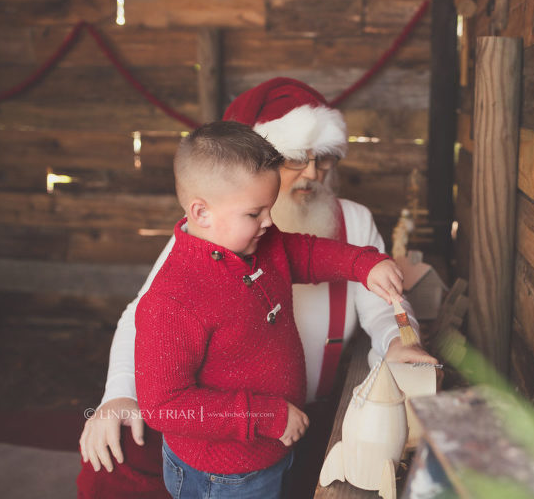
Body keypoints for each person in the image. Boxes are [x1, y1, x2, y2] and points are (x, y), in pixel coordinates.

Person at [77, 78, 437, 498]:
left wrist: (396, 335)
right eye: (295, 159)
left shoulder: (341, 222)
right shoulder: (205, 242)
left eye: (322, 160)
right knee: (116, 460)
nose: (311, 174)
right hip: (225, 429)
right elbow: (143, 320)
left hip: (300, 417)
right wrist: (119, 393)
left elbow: (361, 290)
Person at [136, 120, 403, 498]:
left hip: (272, 447)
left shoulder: (259, 244)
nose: (269, 222)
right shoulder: (173, 301)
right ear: (201, 212)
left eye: (270, 209)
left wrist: (364, 264)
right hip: (224, 474)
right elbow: (166, 406)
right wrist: (267, 417)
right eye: (254, 213)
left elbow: (308, 253)